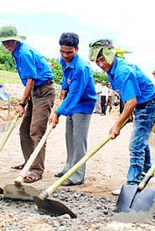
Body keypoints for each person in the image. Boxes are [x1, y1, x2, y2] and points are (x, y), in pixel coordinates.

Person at [89, 39, 155, 193]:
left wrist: (117, 124)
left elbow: (132, 101)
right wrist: (126, 117)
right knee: (141, 141)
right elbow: (127, 99)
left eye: (102, 59)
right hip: (141, 106)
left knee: (135, 146)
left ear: (111, 55)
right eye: (97, 61)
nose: (100, 64)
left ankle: (132, 184)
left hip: (148, 106)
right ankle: (146, 171)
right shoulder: (111, 70)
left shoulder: (123, 71)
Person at [0, 24, 56, 183]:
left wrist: (22, 103)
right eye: (4, 42)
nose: (7, 45)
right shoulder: (16, 52)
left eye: (9, 41)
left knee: (36, 130)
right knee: (24, 130)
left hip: (43, 91)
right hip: (34, 92)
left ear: (16, 40)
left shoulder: (23, 53)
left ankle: (37, 169)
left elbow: (31, 79)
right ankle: (29, 160)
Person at [49, 32, 96, 186]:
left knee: (78, 140)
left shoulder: (81, 68)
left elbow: (75, 94)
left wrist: (57, 112)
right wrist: (63, 88)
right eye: (62, 51)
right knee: (69, 137)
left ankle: (77, 175)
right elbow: (65, 77)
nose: (65, 55)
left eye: (69, 52)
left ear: (77, 49)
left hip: (83, 104)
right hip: (72, 102)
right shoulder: (64, 61)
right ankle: (68, 168)